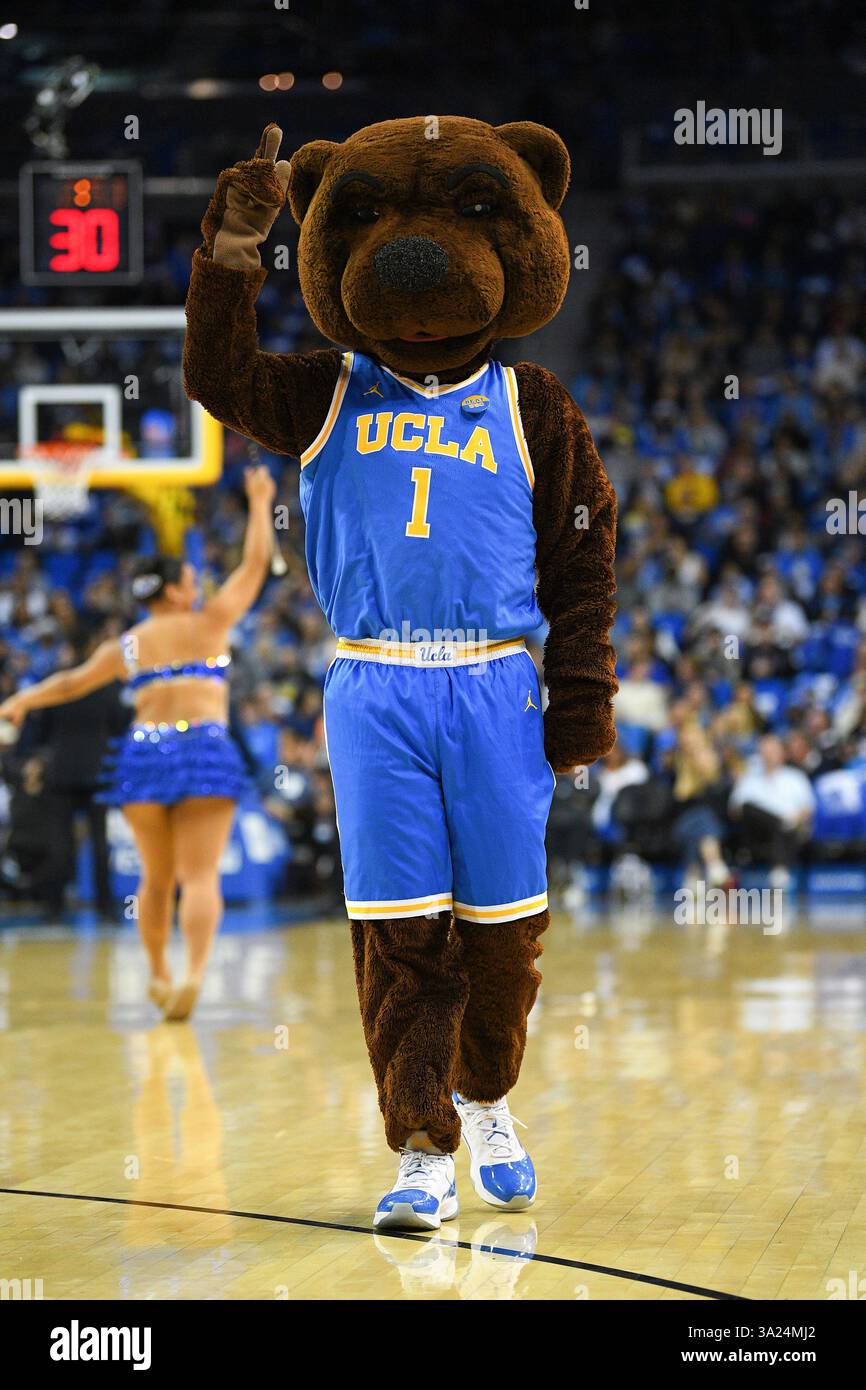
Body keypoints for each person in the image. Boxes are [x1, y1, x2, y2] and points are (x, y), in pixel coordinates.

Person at [0, 467, 274, 1020]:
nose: (198, 587)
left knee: (156, 879)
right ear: (174, 590)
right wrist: (262, 501)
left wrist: (21, 701)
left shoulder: (127, 645)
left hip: (145, 755)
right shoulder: (211, 623)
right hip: (205, 750)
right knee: (199, 877)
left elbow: (71, 682)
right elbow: (255, 566)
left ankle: (157, 973)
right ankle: (195, 974)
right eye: (191, 581)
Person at [729, 734, 816, 888]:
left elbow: (808, 808)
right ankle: (780, 869)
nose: (769, 755)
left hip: (790, 831)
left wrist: (793, 820)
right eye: (765, 751)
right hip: (757, 833)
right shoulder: (749, 778)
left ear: (782, 753)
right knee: (750, 807)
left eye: (773, 751)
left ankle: (779, 869)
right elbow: (736, 809)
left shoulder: (796, 777)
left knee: (787, 829)